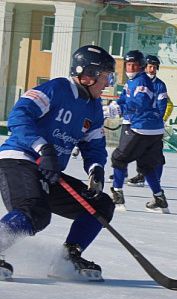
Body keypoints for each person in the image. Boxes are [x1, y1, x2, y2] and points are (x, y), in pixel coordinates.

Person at [0, 45, 116, 281]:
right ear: (88, 75)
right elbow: (19, 116)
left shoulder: (93, 109)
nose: (107, 84)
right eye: (105, 77)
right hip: (18, 160)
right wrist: (42, 147)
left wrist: (96, 169)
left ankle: (67, 257)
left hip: (49, 171)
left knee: (100, 205)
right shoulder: (57, 89)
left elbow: (93, 145)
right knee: (35, 210)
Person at [104, 50, 169, 213]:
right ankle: (159, 199)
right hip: (153, 130)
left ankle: (117, 195)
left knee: (118, 158)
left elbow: (138, 104)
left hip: (142, 128)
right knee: (146, 166)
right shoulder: (132, 81)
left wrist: (117, 110)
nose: (131, 68)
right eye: (128, 64)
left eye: (134, 65)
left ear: (141, 66)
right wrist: (115, 104)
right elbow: (125, 98)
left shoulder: (142, 82)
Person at [126, 54, 173, 188]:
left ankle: (155, 179)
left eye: (154, 67)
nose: (151, 69)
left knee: (156, 154)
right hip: (139, 124)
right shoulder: (138, 81)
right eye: (149, 66)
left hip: (153, 125)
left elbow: (162, 105)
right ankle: (141, 176)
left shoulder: (160, 85)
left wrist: (158, 120)